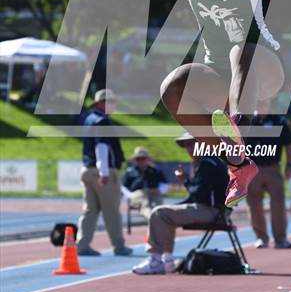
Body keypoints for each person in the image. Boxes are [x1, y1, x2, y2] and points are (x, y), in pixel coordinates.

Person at [158, 0, 286, 209]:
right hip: (223, 78)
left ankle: (240, 124)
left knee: (238, 49)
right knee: (173, 86)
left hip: (264, 66)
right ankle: (239, 165)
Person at [132, 131, 228, 275]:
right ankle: (167, 261)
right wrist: (175, 205)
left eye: (192, 144)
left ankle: (156, 259)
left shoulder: (208, 163)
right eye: (186, 145)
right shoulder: (206, 161)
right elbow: (198, 195)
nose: (189, 148)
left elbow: (198, 194)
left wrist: (184, 180)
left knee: (159, 213)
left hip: (214, 212)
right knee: (164, 213)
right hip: (212, 209)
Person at [77, 89, 133, 256]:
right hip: (102, 171)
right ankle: (119, 246)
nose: (113, 106)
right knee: (112, 211)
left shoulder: (89, 120)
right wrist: (104, 172)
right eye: (111, 102)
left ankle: (82, 244)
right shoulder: (102, 121)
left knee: (90, 210)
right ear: (102, 103)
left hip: (87, 169)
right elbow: (101, 146)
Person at [247, 97, 291, 249]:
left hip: (273, 168)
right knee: (254, 204)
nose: (261, 106)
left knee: (278, 204)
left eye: (264, 103)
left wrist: (289, 165)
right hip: (252, 168)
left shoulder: (279, 122)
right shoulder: (247, 121)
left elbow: (289, 145)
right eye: (259, 103)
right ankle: (261, 238)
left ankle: (280, 239)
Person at [122, 146, 168, 219]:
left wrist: (160, 191)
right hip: (137, 194)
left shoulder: (155, 171)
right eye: (138, 159)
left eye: (143, 158)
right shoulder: (130, 172)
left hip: (153, 193)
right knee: (145, 204)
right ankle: (153, 219)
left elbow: (164, 184)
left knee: (159, 205)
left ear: (147, 159)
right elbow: (123, 187)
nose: (141, 161)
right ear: (135, 160)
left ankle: (160, 220)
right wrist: (130, 195)